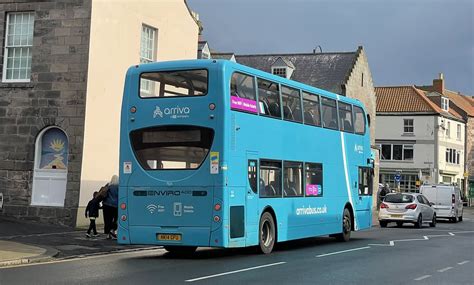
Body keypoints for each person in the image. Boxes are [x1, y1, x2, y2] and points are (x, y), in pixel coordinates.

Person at [103, 175, 119, 239]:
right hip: (115, 205)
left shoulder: (108, 185)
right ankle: (113, 231)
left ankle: (107, 234)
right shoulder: (118, 186)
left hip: (106, 205)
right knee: (115, 219)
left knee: (107, 220)